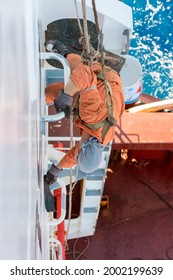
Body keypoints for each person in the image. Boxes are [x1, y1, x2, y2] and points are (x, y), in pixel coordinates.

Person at [44, 40, 125, 211]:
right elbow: (86, 74)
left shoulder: (97, 143)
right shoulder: (92, 115)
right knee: (53, 91)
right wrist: (66, 95)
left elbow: (75, 155)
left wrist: (56, 170)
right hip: (104, 78)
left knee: (63, 92)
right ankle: (64, 49)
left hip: (112, 98)